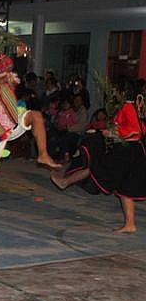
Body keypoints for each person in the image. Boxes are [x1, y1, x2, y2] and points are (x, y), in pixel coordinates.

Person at [0, 32, 61, 224]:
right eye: (3, 72)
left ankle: (42, 154)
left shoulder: (11, 79)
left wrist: (21, 54)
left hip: (14, 120)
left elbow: (20, 69)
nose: (7, 76)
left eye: (9, 72)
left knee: (36, 115)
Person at [51, 93, 146, 233]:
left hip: (127, 151)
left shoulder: (128, 106)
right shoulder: (131, 106)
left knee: (97, 167)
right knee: (125, 188)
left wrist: (113, 134)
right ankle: (130, 224)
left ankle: (65, 182)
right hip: (130, 151)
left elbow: (135, 130)